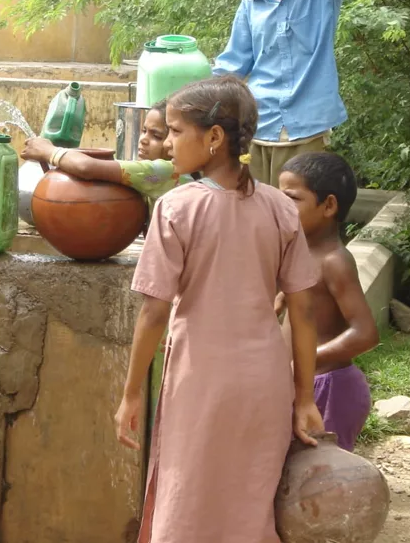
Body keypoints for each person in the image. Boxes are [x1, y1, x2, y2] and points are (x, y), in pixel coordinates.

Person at [114, 75, 324, 542]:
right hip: (265, 386)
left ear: (213, 138)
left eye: (174, 131)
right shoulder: (280, 209)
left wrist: (131, 393)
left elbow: (153, 313)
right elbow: (303, 312)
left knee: (186, 501)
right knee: (247, 510)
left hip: (200, 385)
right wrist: (305, 397)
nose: (167, 143)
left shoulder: (174, 208)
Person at [213, 0, 351, 186]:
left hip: (306, 130)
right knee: (256, 211)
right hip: (257, 128)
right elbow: (233, 64)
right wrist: (198, 104)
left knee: (296, 213)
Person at [275, 152, 378, 452]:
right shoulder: (298, 251)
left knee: (322, 483)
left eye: (292, 199)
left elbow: (366, 333)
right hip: (303, 383)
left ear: (329, 205)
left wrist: (307, 361)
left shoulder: (335, 261)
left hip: (329, 387)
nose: (282, 207)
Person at [21, 100, 197, 205]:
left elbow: (86, 167)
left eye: (156, 136)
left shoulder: (165, 171)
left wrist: (49, 151)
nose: (143, 139)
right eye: (144, 131)